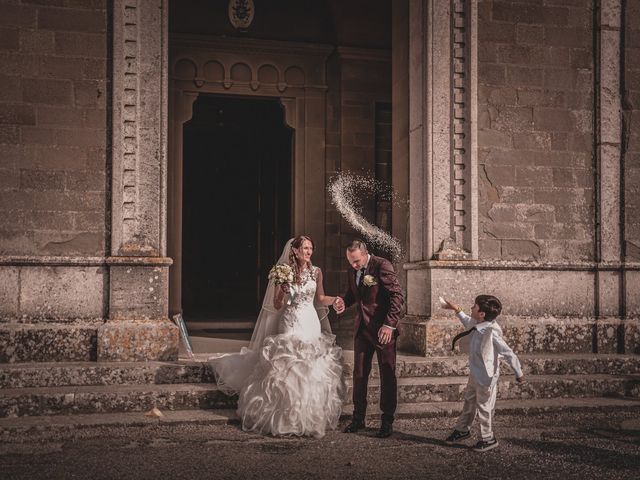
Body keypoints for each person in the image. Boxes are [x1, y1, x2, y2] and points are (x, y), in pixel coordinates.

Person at [208, 236, 344, 438]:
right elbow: (278, 304)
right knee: (287, 366)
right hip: (291, 320)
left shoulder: (317, 272)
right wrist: (284, 293)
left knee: (311, 368)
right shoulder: (285, 273)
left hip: (310, 321)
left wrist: (336, 300)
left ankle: (307, 418)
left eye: (310, 248)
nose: (308, 252)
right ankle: (284, 419)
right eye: (305, 248)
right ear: (295, 251)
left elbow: (321, 298)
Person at [333, 240, 404, 438]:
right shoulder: (352, 271)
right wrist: (343, 303)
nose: (353, 266)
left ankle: (387, 421)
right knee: (359, 374)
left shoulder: (382, 265)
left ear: (365, 254)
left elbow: (397, 296)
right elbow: (354, 295)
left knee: (386, 375)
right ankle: (358, 418)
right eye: (350, 262)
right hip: (362, 330)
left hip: (383, 330)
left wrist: (389, 325)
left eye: (356, 261)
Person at [442, 294, 524, 452]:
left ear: (482, 314)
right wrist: (456, 309)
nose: (471, 308)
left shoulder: (491, 332)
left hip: (486, 377)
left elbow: (508, 353)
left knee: (484, 407)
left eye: (474, 306)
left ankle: (488, 438)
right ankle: (462, 429)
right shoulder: (477, 323)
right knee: (469, 401)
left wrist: (518, 373)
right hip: (475, 373)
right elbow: (466, 320)